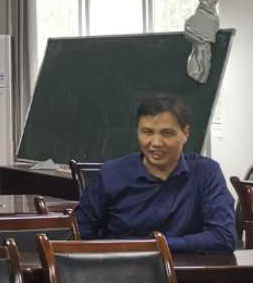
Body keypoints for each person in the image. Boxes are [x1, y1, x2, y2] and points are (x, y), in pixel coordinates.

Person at [75, 95, 235, 253]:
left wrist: (154, 246)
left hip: (186, 269)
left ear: (185, 134)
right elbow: (79, 236)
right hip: (120, 267)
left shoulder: (205, 173)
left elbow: (224, 237)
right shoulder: (112, 174)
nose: (156, 143)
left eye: (167, 133)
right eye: (147, 132)